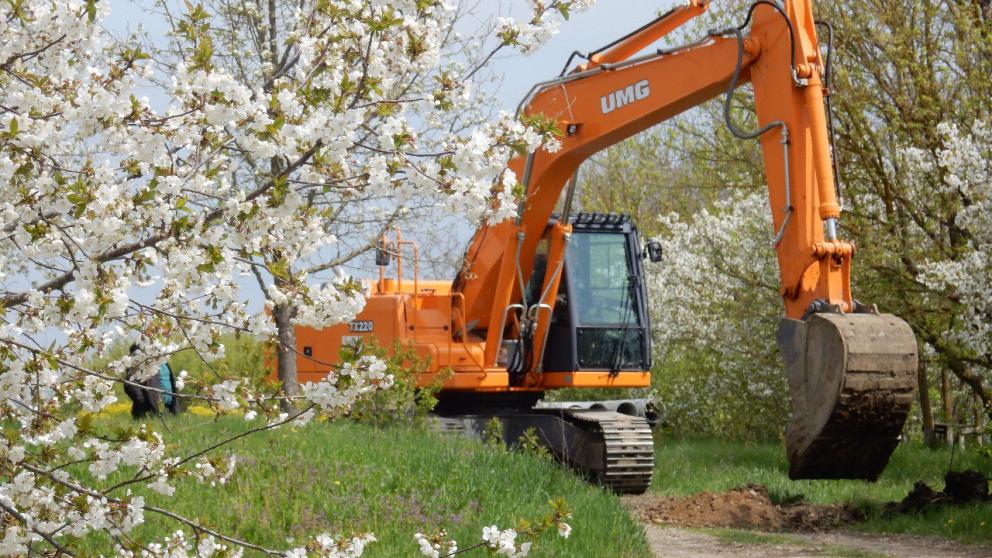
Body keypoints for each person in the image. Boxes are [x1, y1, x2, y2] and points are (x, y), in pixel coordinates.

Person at [123, 344, 180, 418]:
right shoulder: (138, 364)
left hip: (167, 406)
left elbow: (171, 382)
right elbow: (130, 385)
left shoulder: (164, 362)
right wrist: (143, 402)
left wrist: (174, 406)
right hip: (150, 410)